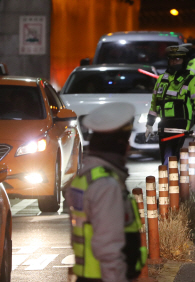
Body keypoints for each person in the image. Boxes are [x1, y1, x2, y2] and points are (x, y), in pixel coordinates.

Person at [66, 102, 147, 282]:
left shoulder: (86, 177)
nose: (128, 147)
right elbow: (108, 246)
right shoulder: (106, 184)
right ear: (116, 144)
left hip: (89, 275)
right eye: (125, 141)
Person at [145, 45, 195, 166]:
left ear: (184, 61)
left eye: (178, 59)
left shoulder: (190, 79)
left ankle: (170, 181)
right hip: (163, 125)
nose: (174, 62)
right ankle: (169, 181)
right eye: (172, 59)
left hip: (180, 124)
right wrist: (149, 124)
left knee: (170, 158)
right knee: (165, 158)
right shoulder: (161, 79)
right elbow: (155, 103)